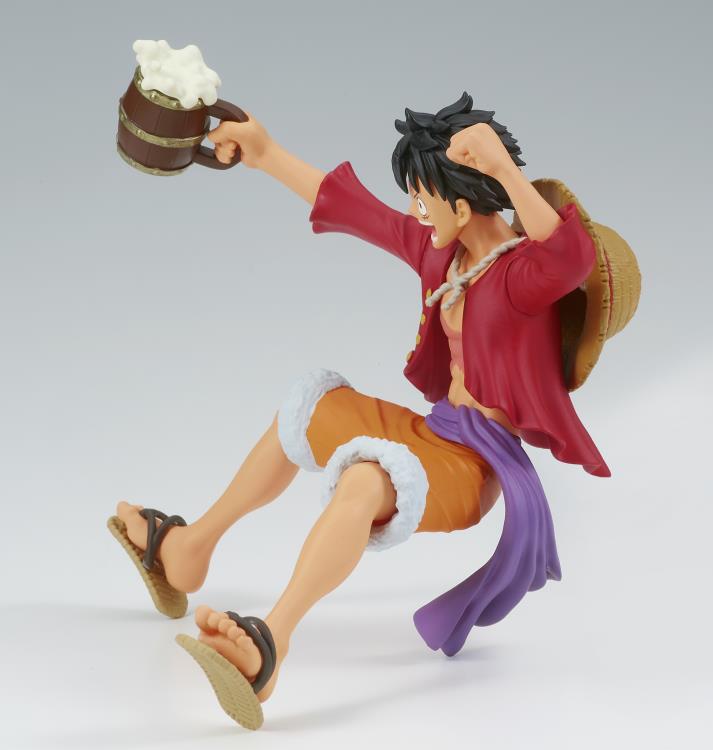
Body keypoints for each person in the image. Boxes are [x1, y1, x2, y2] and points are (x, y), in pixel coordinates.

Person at [108, 92, 636, 730]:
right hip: (436, 429)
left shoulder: (523, 277)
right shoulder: (447, 254)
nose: (415, 212)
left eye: (423, 199)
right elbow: (355, 210)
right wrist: (265, 152)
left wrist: (503, 167)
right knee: (311, 408)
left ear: (461, 205)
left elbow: (570, 258)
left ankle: (269, 648)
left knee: (365, 479)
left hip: (474, 465)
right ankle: (190, 550)